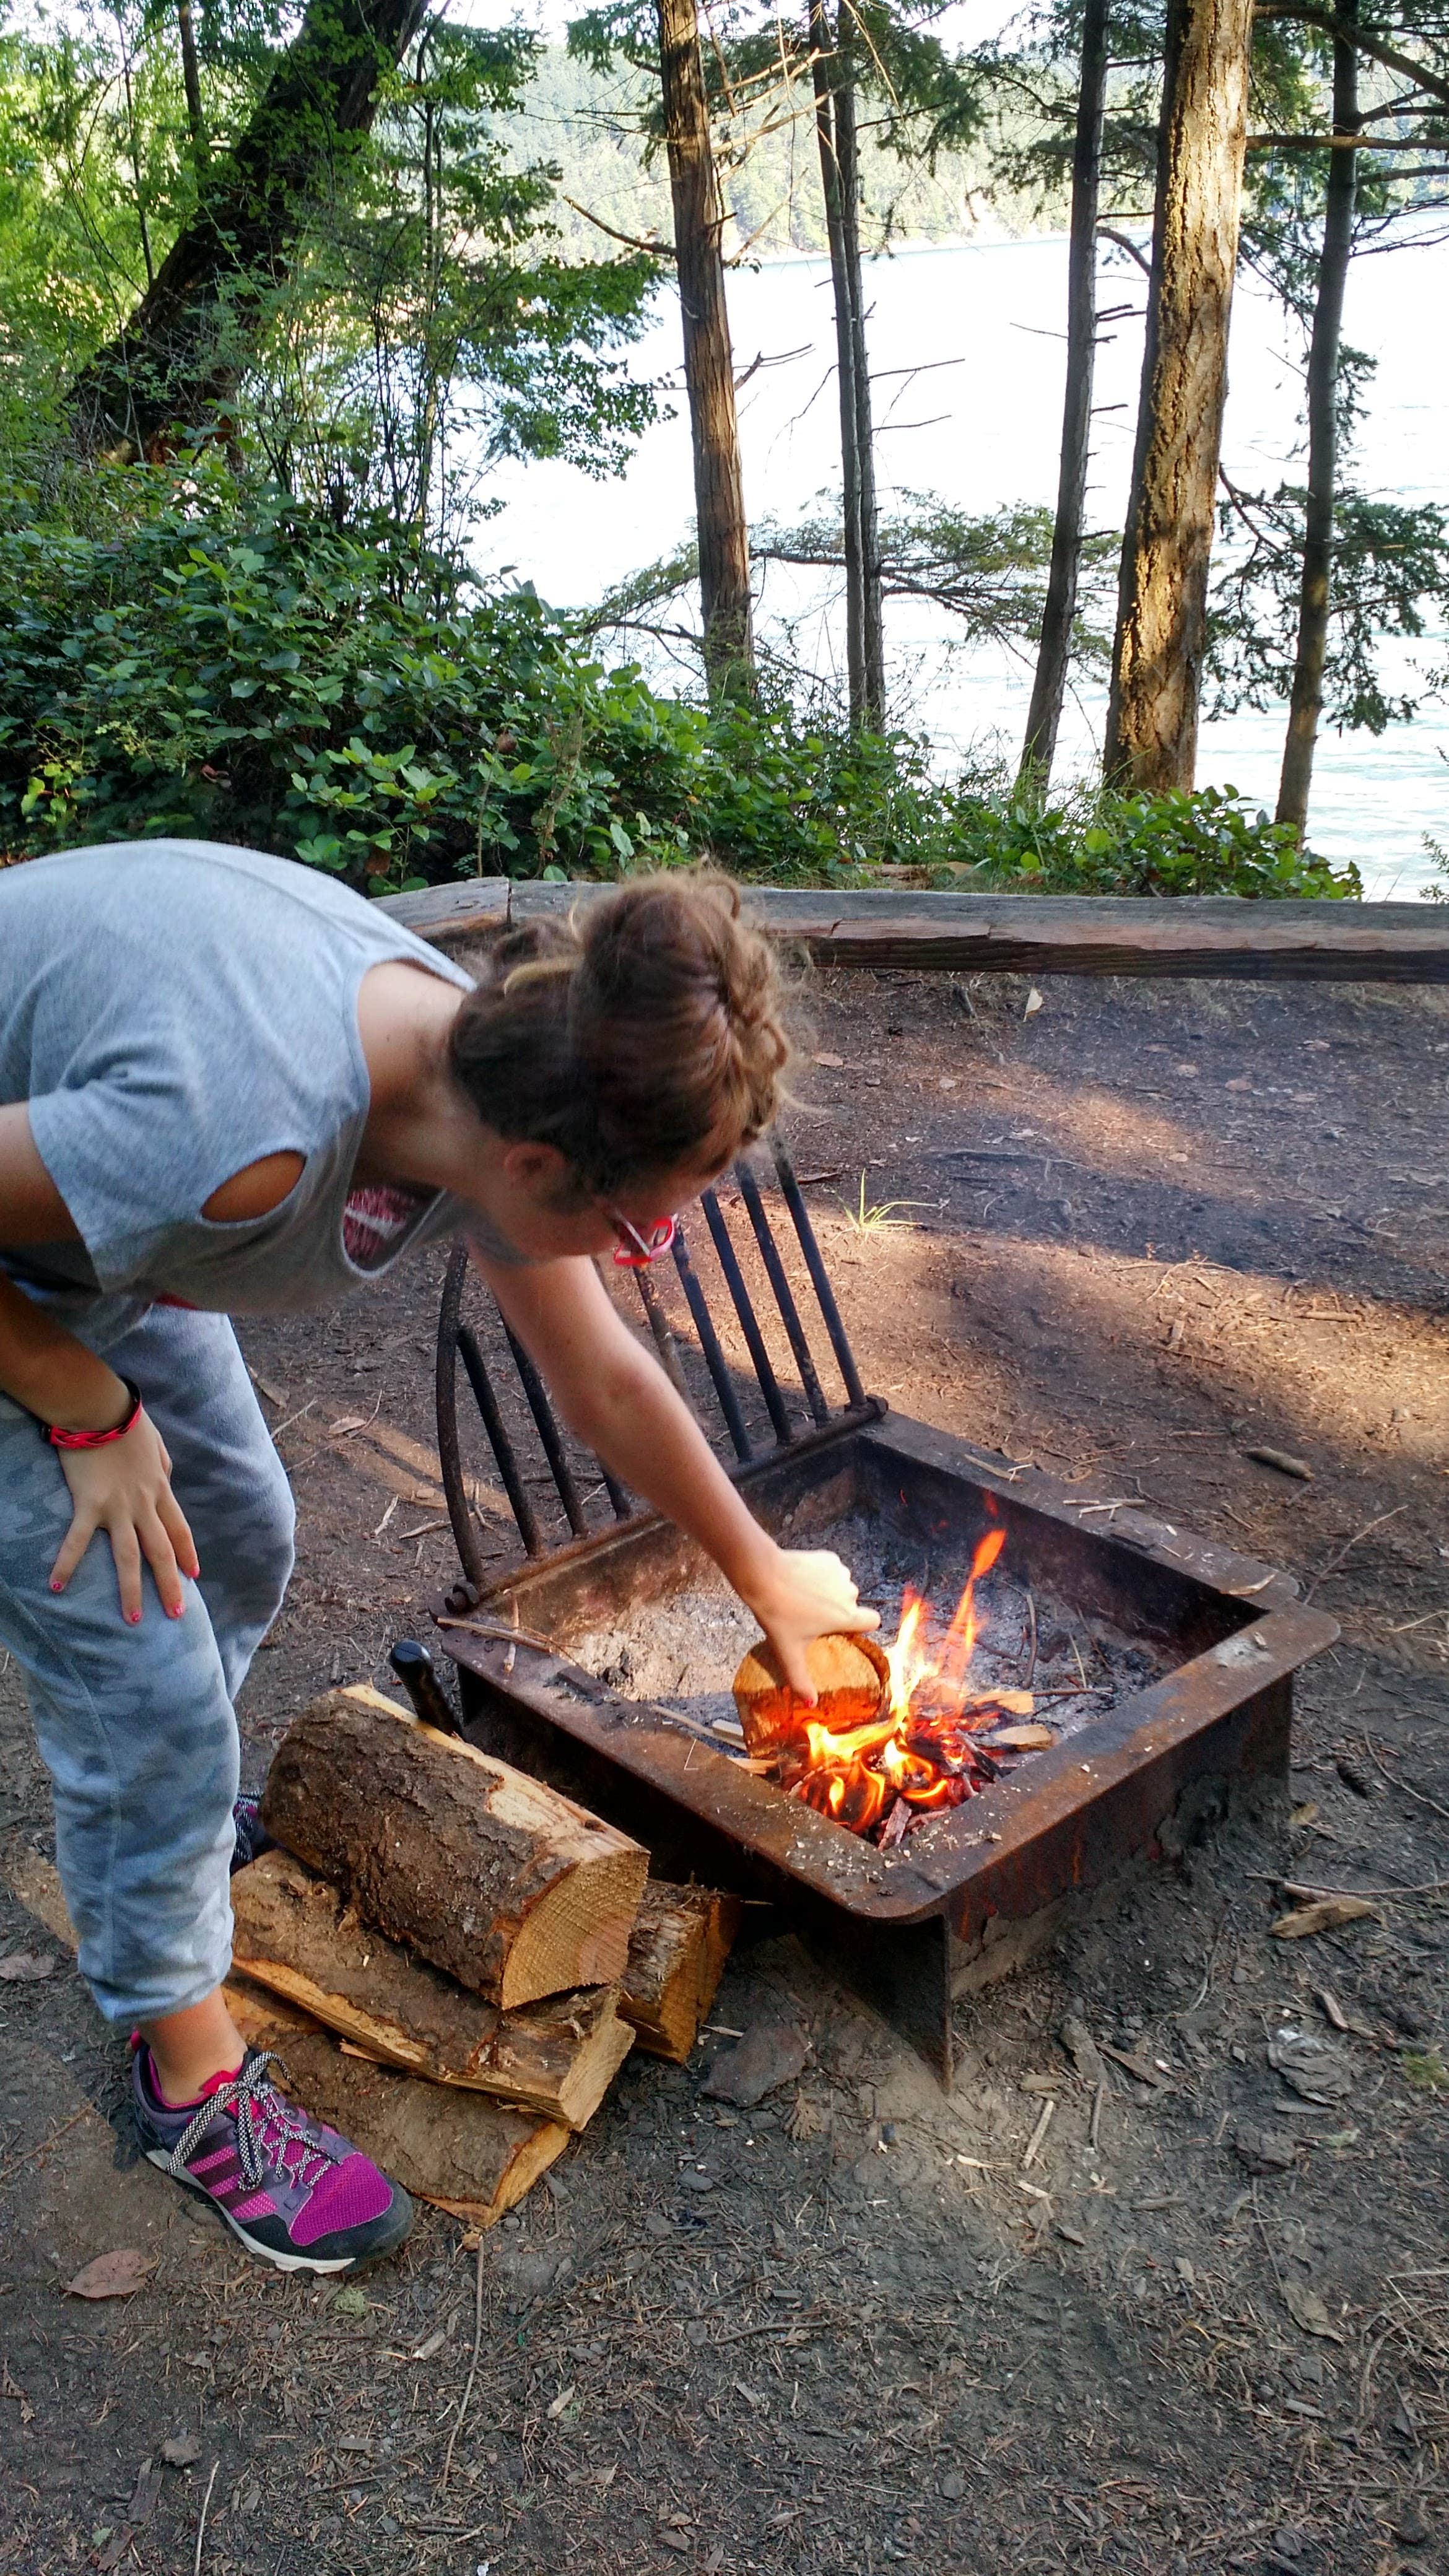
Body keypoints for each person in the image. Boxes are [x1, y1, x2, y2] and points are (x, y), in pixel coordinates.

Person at [0, 839, 877, 2274]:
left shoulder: (494, 1075)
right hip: (35, 1289)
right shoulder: (235, 1137)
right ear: (538, 1169)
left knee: (243, 1533)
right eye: (641, 1226)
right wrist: (84, 1406)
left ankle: (166, 1832)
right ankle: (187, 2077)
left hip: (101, 1246)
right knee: (144, 1677)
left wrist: (762, 1572)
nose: (646, 1250)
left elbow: (607, 1381)